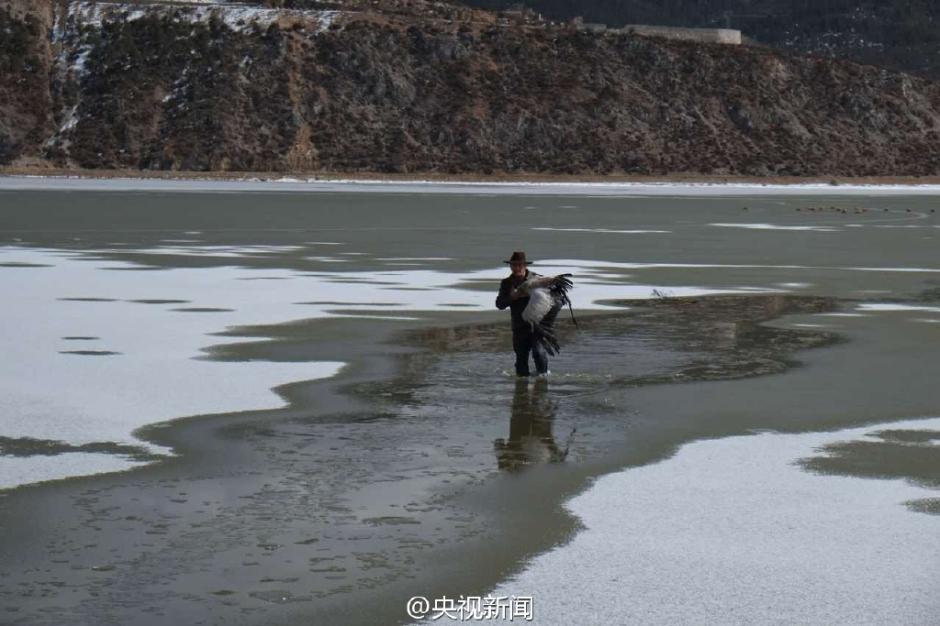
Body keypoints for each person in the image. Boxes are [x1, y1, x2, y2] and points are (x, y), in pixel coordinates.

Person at [495, 251, 559, 377]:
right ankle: (521, 390)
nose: (516, 268)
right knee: (521, 362)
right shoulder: (507, 283)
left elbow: (553, 299)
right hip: (519, 326)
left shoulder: (538, 279)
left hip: (538, 326)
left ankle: (542, 383)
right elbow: (500, 304)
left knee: (539, 353)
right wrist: (513, 297)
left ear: (525, 265)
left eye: (519, 265)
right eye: (513, 265)